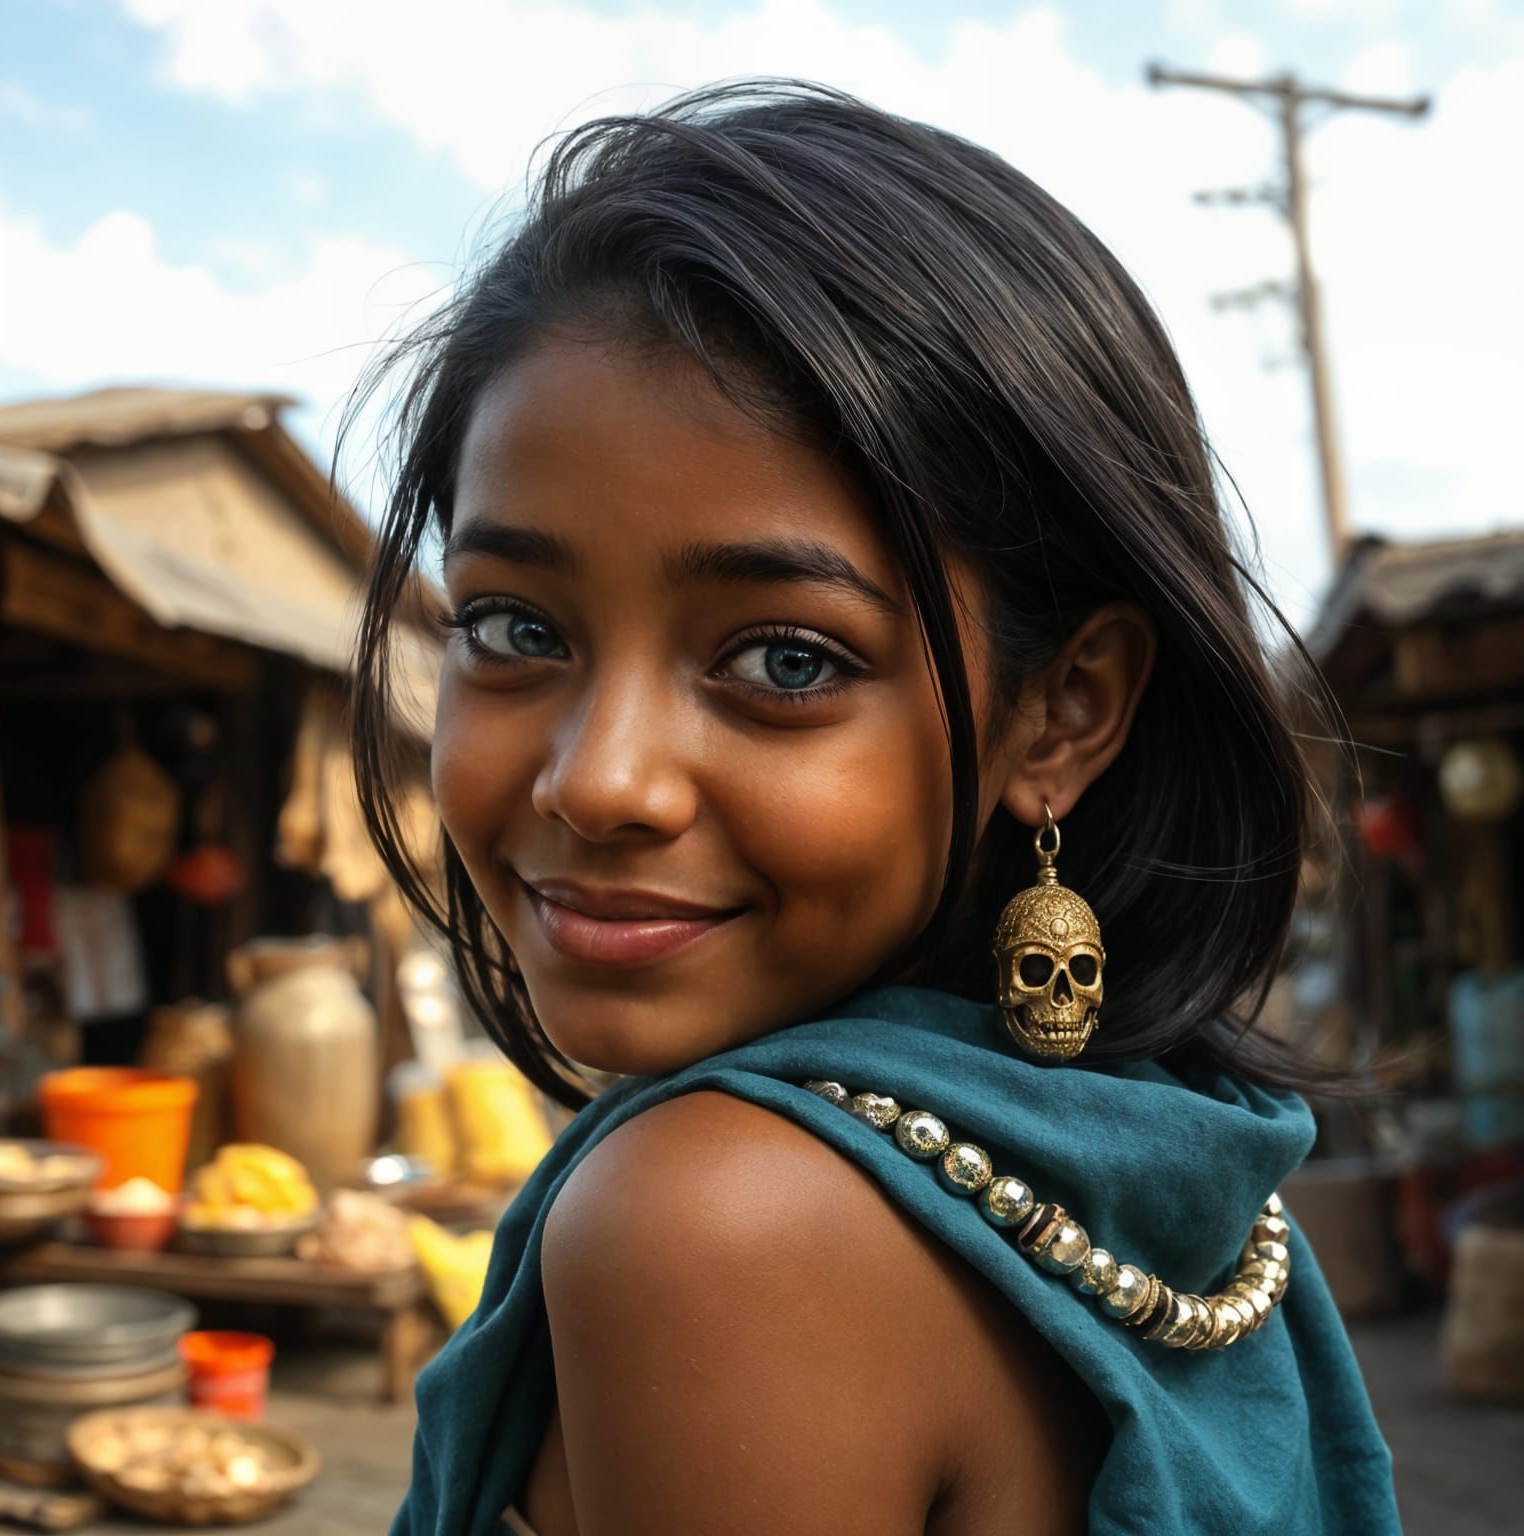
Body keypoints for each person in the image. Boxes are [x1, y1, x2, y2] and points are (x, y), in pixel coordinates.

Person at [350, 79, 1397, 1535]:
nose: (597, 781)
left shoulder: (714, 1226)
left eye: (786, 658)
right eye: (516, 629)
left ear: (1065, 709)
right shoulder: (1170, 1162)